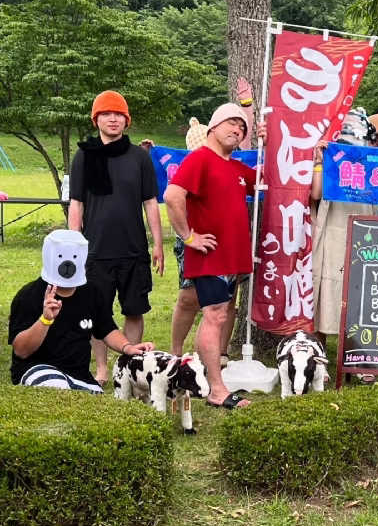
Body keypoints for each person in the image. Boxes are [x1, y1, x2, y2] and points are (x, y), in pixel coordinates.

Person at [164, 102, 267, 409]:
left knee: (218, 315)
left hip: (231, 258)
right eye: (232, 123)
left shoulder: (234, 167)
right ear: (213, 126)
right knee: (214, 316)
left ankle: (199, 378)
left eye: (242, 127)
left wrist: (267, 141)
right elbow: (172, 196)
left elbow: (264, 177)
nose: (237, 130)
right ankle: (217, 389)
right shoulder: (200, 159)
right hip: (210, 256)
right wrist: (189, 236)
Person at [68, 90, 163, 386]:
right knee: (98, 314)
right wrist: (75, 246)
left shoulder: (139, 157)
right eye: (107, 114)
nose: (113, 119)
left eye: (119, 114)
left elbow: (150, 203)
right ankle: (101, 369)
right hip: (94, 251)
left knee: (134, 310)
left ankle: (129, 366)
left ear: (126, 120)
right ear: (96, 119)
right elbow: (76, 203)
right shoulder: (85, 155)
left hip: (133, 250)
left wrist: (157, 243)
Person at [9, 230, 154, 392]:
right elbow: (21, 351)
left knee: (95, 401)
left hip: (78, 375)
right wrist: (45, 320)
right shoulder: (29, 296)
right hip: (37, 369)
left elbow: (106, 329)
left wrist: (127, 347)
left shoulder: (91, 293)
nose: (68, 264)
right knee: (57, 386)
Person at [311, 109, 378, 345]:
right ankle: (317, 350)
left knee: (360, 291)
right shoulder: (331, 162)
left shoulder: (373, 167)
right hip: (332, 230)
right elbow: (316, 193)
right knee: (325, 291)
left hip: (364, 232)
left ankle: (357, 355)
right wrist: (320, 162)